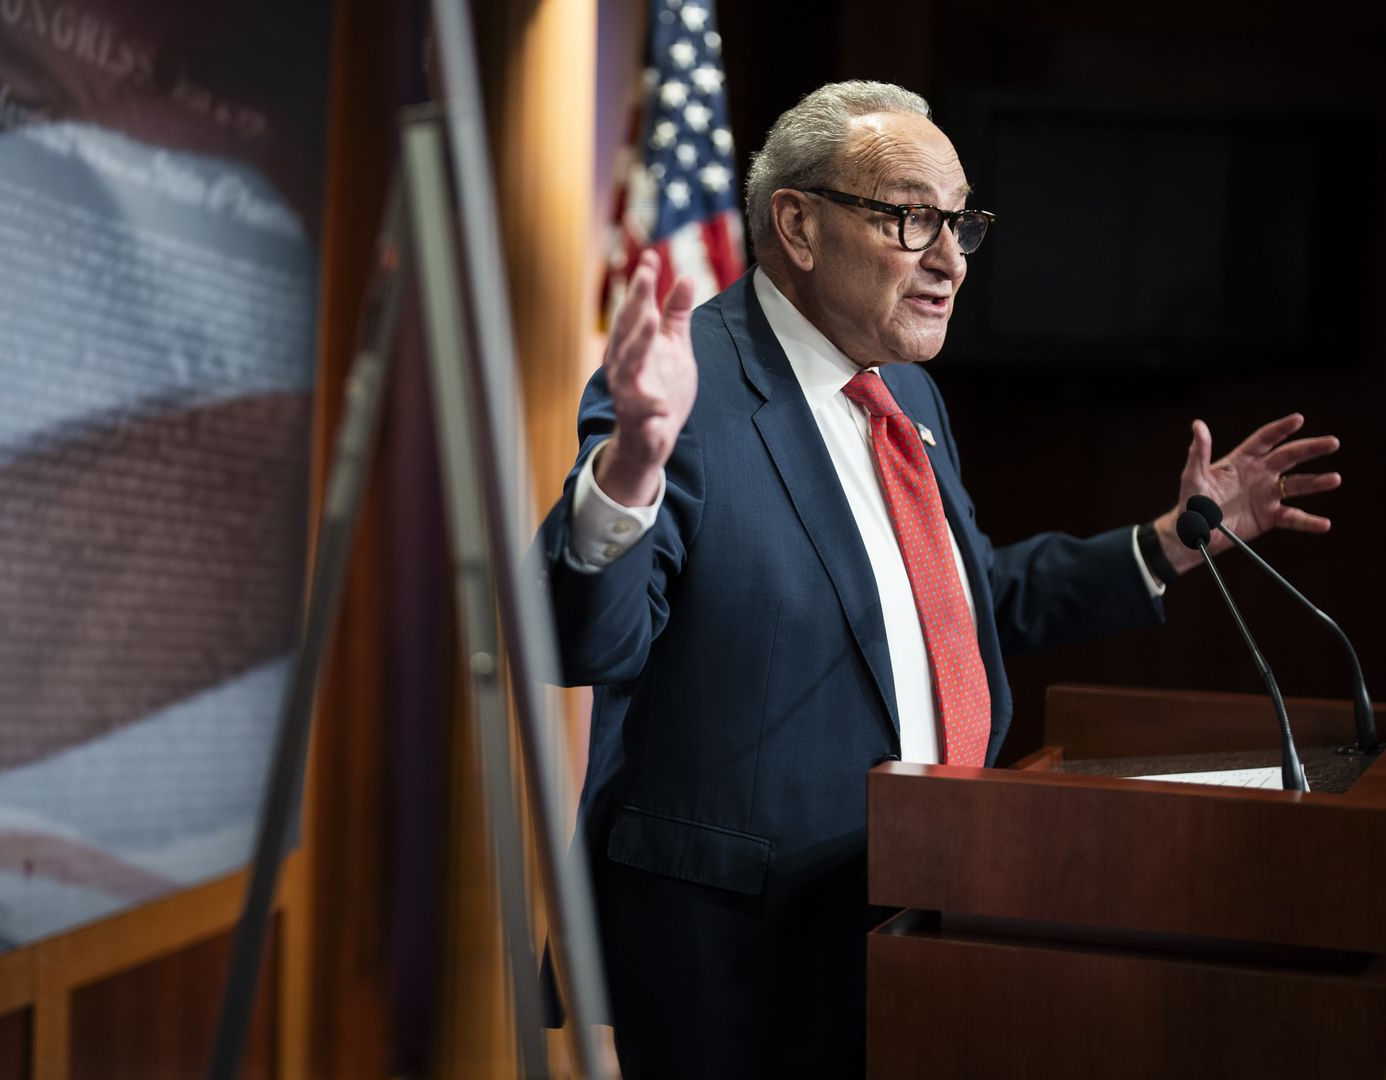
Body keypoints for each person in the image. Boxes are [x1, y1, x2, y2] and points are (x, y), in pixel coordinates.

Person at [533, 81, 1342, 1076]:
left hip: (927, 902)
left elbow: (958, 610)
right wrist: (629, 471)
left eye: (961, 224)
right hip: (740, 948)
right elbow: (580, 642)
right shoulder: (686, 388)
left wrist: (1174, 540)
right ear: (799, 223)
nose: (951, 261)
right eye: (914, 218)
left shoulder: (906, 391)